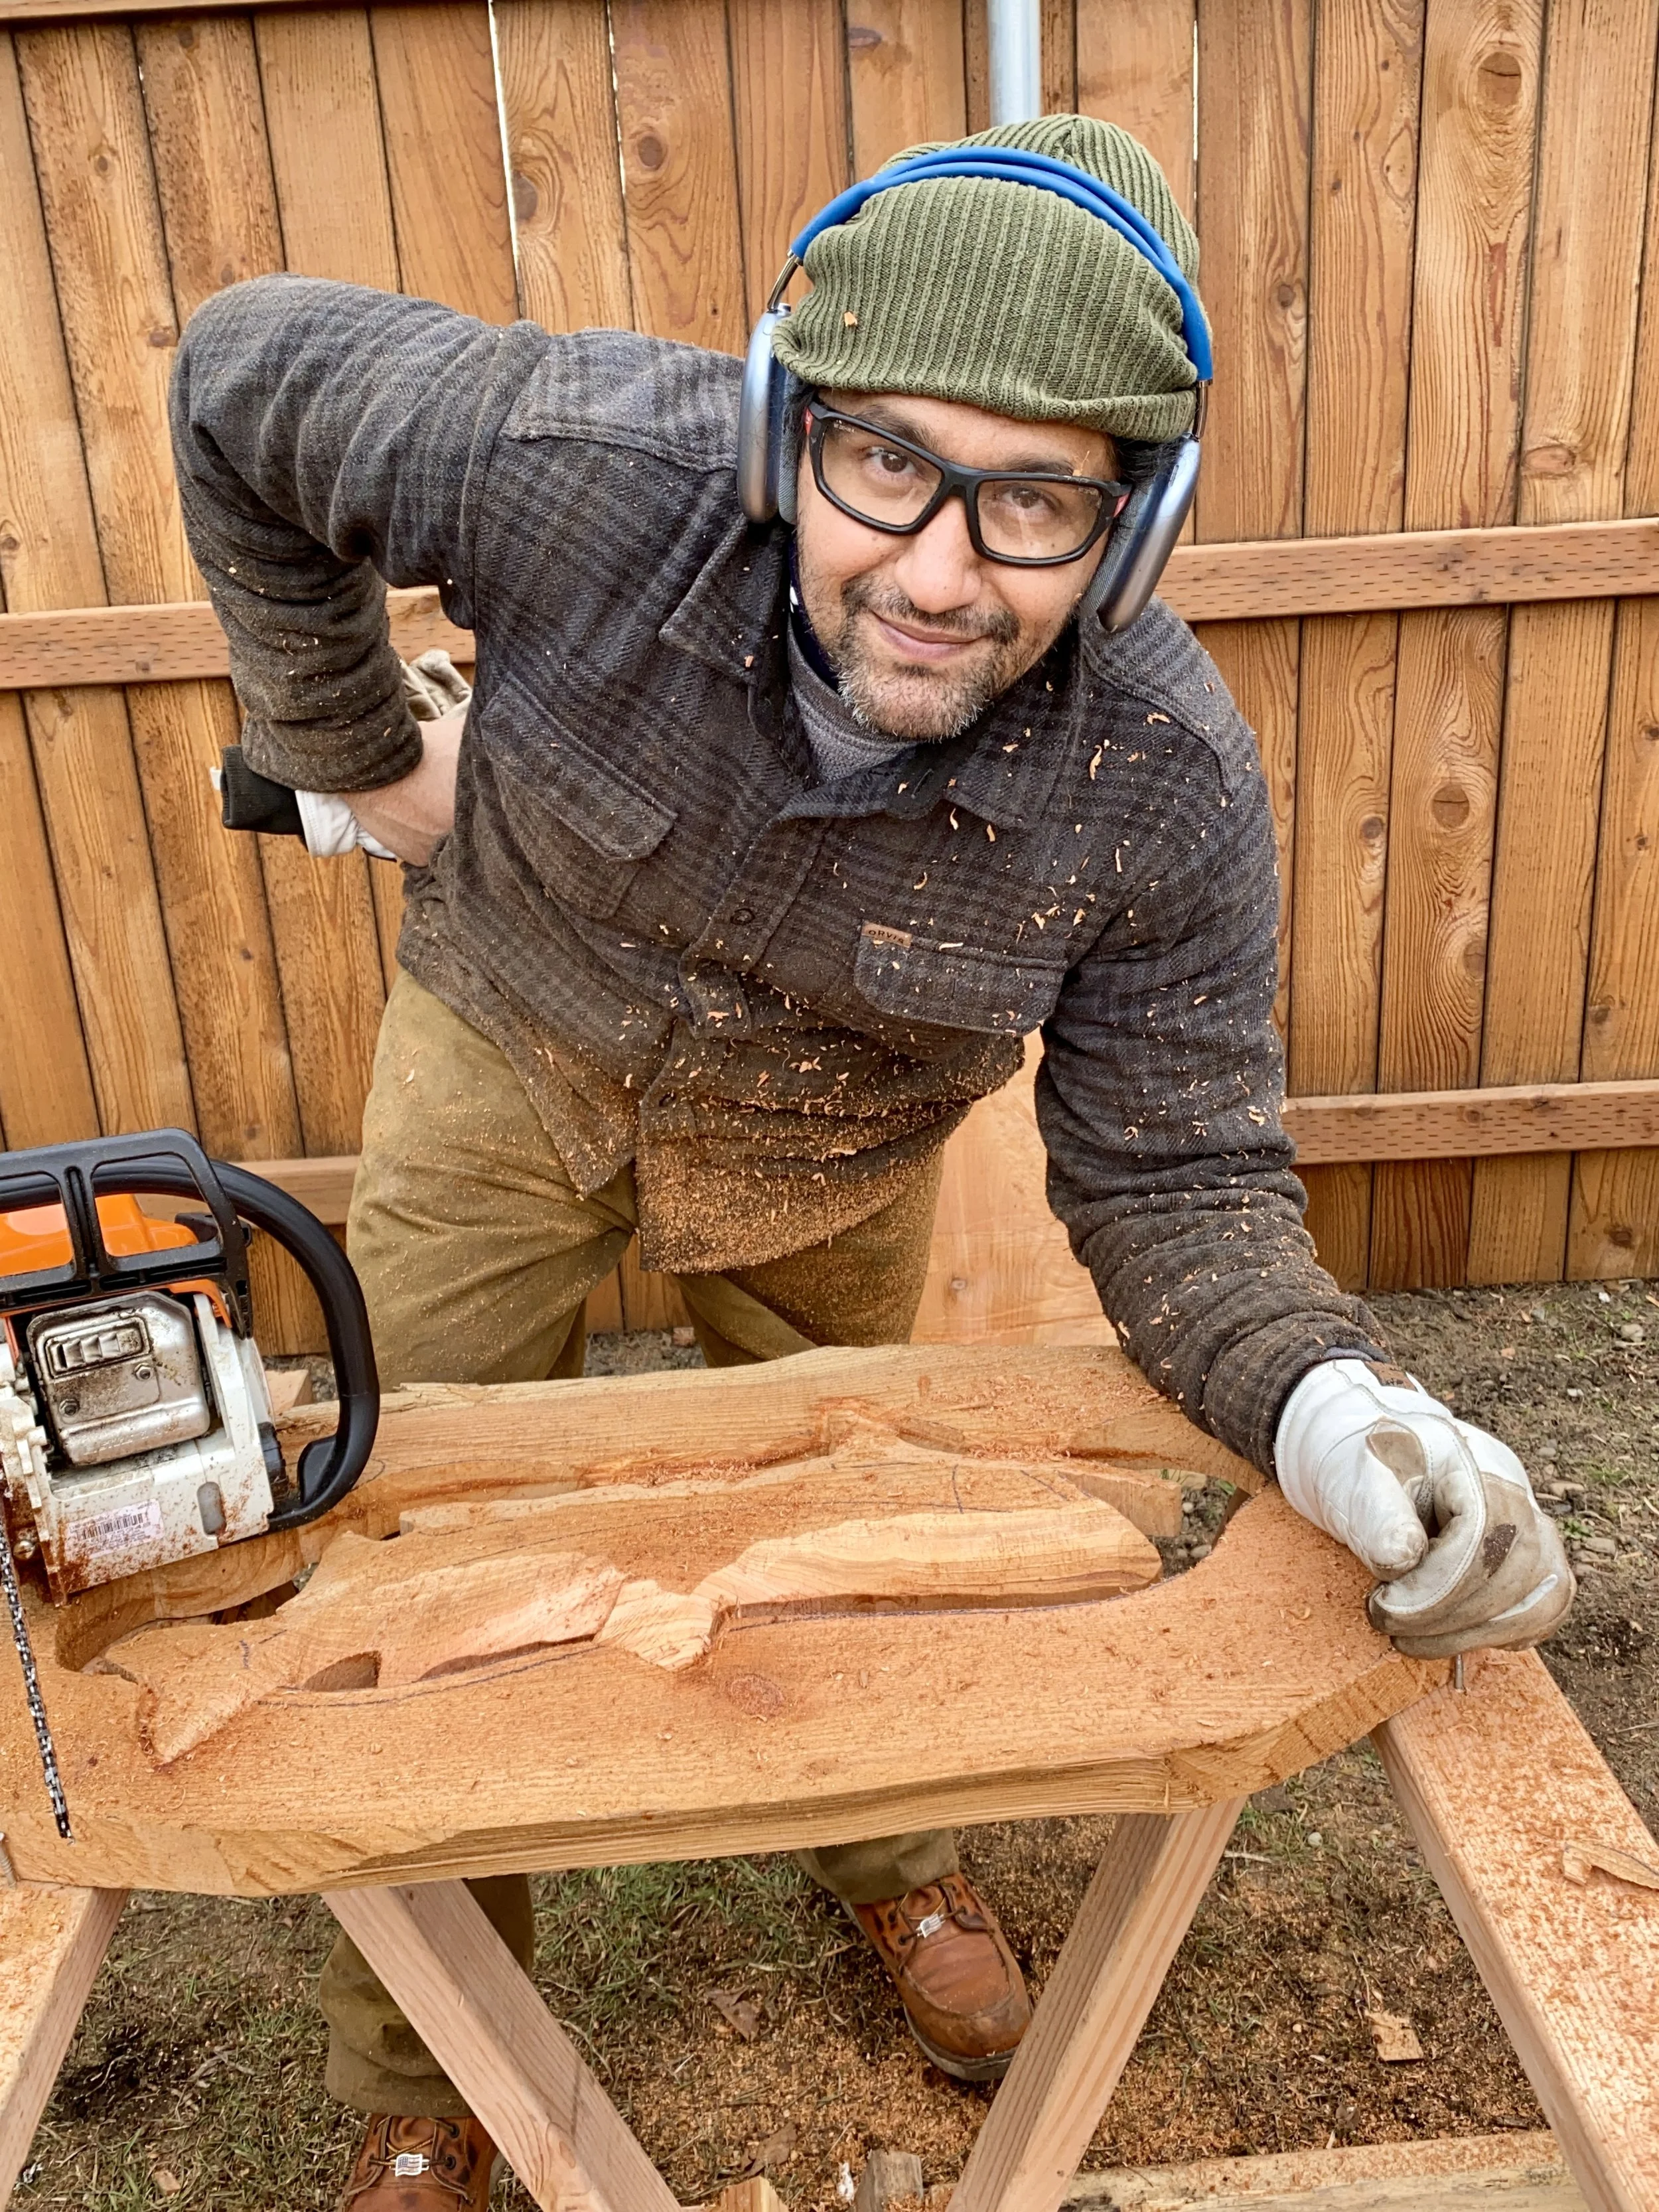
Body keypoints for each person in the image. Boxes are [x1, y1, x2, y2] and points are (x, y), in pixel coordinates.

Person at [171, 113, 1573, 2212]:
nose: (934, 568)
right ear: (775, 435)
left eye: (1033, 503)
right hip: (504, 1046)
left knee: (869, 1519)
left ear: (1138, 523)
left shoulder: (1163, 780)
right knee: (400, 1555)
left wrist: (1328, 1400)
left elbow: (1179, 1175)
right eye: (883, 464)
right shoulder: (579, 460)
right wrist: (358, 754)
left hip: (831, 1152)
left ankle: (894, 1863)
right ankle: (432, 2060)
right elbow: (235, 371)